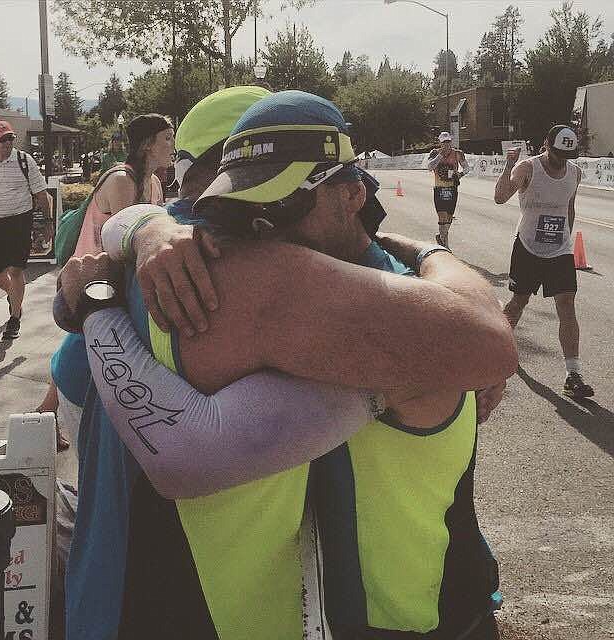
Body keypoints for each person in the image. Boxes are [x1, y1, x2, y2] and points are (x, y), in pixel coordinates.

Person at [58, 90, 516, 640]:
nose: (264, 230)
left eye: (283, 205)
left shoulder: (187, 267)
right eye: (244, 207)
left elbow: (487, 343)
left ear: (351, 194)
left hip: (127, 598)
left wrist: (102, 295)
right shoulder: (215, 269)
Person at [37, 114, 174, 451]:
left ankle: (44, 416)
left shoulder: (153, 183)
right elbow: (125, 246)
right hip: (89, 279)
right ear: (146, 145)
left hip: (111, 282)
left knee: (81, 348)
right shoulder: (121, 181)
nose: (173, 145)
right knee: (80, 347)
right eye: (167, 138)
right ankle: (46, 416)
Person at [495, 124, 594, 399]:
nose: (561, 161)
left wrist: (565, 239)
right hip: (527, 247)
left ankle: (573, 373)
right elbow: (500, 197)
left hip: (559, 250)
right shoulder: (528, 168)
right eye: (557, 154)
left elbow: (569, 207)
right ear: (546, 145)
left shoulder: (575, 172)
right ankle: (499, 353)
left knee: (567, 304)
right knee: (517, 303)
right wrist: (508, 165)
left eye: (566, 155)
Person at [0, 120, 53, 340]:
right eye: (3, 139)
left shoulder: (23, 160)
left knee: (16, 271)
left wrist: (47, 223)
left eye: (11, 138)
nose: (8, 143)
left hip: (20, 221)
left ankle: (15, 317)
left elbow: (41, 194)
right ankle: (14, 295)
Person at [426, 131, 470, 249]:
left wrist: (460, 174)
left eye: (448, 141)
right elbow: (429, 167)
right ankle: (446, 246)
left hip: (452, 188)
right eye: (444, 142)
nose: (446, 144)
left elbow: (467, 168)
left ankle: (441, 236)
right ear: (440, 143)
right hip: (439, 188)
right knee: (442, 217)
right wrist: (440, 155)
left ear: (451, 141)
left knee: (449, 218)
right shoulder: (434, 153)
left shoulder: (458, 153)